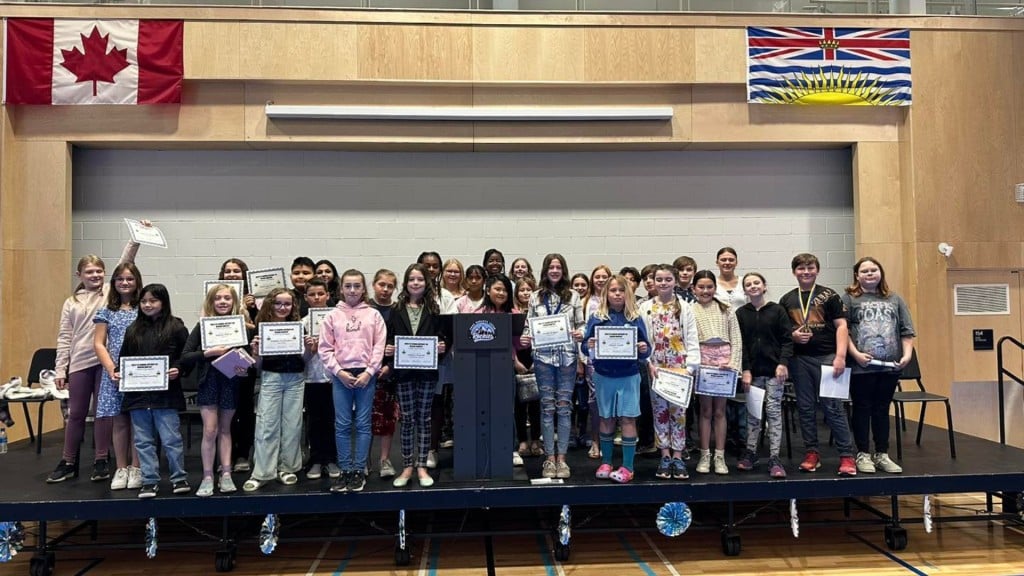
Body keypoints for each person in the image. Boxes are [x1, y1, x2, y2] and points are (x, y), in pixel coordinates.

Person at [48, 235, 142, 484]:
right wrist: (60, 369)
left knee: (104, 413)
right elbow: (64, 337)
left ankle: (102, 459)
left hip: (105, 362)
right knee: (76, 413)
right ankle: (68, 460)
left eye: (99, 271)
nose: (95, 276)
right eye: (89, 272)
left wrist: (135, 240)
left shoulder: (109, 292)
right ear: (79, 274)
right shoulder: (71, 302)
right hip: (79, 362)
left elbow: (126, 262)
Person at [779, 253, 857, 476]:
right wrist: (793, 336)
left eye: (810, 267)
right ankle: (812, 453)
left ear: (817, 270)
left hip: (828, 357)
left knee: (833, 408)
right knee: (804, 408)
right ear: (794, 271)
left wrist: (840, 356)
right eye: (801, 268)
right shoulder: (787, 299)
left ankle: (846, 456)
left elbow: (842, 326)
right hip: (799, 360)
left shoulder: (829, 295)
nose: (806, 272)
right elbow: (784, 332)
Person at [843, 257, 915, 475]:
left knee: (882, 410)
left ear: (880, 272)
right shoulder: (849, 299)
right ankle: (863, 453)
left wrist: (907, 355)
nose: (869, 274)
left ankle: (882, 453)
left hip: (889, 366)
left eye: (873, 270)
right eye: (864, 271)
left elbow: (907, 330)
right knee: (862, 408)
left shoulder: (895, 299)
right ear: (857, 275)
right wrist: (855, 354)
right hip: (861, 366)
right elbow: (842, 330)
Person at [118, 284, 190, 499]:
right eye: (143, 301)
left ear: (163, 302)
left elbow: (186, 356)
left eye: (153, 301)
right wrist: (117, 371)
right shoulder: (132, 330)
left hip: (166, 395)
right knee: (142, 441)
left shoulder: (176, 327)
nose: (148, 305)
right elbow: (123, 358)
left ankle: (179, 478)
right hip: (138, 395)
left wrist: (180, 368)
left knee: (171, 439)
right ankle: (149, 480)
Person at [319, 269, 387, 493]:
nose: (352, 290)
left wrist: (370, 371)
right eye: (348, 286)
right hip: (342, 376)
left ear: (363, 289)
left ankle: (359, 470)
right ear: (340, 289)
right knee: (343, 424)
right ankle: (346, 469)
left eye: (357, 286)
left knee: (363, 423)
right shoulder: (332, 316)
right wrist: (338, 371)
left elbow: (379, 346)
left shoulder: (374, 315)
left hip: (366, 375)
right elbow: (325, 348)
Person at [181, 284, 252, 496]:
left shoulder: (241, 327)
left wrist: (242, 366)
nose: (222, 302)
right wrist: (207, 353)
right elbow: (185, 356)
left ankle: (227, 474)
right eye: (217, 298)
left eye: (227, 298)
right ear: (211, 302)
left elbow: (247, 358)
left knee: (225, 429)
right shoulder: (202, 326)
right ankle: (207, 476)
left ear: (234, 302)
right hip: (208, 382)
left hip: (230, 382)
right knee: (209, 430)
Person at [581, 275, 651, 484]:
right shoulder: (597, 317)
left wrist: (643, 349)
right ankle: (606, 461)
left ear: (627, 293)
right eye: (613, 290)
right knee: (606, 418)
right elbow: (585, 346)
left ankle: (628, 467)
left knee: (628, 419)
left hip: (629, 375)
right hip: (604, 375)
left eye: (621, 290)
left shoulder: (636, 318)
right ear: (606, 294)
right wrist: (590, 344)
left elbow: (646, 349)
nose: (617, 294)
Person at [521, 254, 584, 479]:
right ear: (545, 270)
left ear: (563, 270)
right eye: (551, 267)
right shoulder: (536, 296)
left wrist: (581, 333)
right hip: (543, 358)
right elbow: (529, 323)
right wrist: (525, 337)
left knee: (565, 406)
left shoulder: (574, 296)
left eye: (558, 267)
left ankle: (563, 459)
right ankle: (549, 459)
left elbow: (581, 324)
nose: (555, 270)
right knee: (547, 407)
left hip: (567, 356)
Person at [385, 264, 448, 488]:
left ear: (426, 283)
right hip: (403, 373)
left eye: (420, 279)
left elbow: (442, 337)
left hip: (427, 372)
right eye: (411, 279)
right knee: (408, 420)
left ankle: (422, 465)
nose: (415, 283)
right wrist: (389, 348)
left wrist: (442, 346)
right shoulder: (396, 309)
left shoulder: (433, 309)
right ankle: (407, 466)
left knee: (424, 419)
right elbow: (390, 337)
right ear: (406, 283)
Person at [639, 264, 700, 481]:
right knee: (660, 412)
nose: (663, 283)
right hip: (656, 368)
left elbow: (692, 339)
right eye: (659, 279)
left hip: (679, 367)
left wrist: (690, 368)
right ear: (653, 282)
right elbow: (642, 340)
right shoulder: (644, 307)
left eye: (667, 279)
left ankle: (678, 455)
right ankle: (664, 454)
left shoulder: (686, 308)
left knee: (679, 414)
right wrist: (647, 362)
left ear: (675, 281)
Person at [244, 288, 306, 491]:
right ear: (270, 304)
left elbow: (305, 360)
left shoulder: (298, 327)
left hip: (296, 379)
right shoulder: (261, 329)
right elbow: (257, 365)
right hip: (271, 378)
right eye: (278, 303)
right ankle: (262, 472)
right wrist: (255, 352)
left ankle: (286, 468)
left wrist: (310, 349)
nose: (282, 307)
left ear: (293, 306)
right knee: (266, 424)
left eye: (287, 304)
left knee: (292, 426)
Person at [735, 273, 793, 479]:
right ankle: (751, 452)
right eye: (748, 284)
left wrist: (782, 363)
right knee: (753, 414)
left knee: (774, 411)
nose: (753, 286)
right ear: (745, 290)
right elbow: (739, 344)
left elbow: (787, 340)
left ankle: (775, 457)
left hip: (774, 372)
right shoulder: (741, 313)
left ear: (764, 285)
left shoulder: (777, 310)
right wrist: (746, 370)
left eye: (756, 282)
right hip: (753, 373)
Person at [93, 262, 144, 491]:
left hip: (140, 373)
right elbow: (99, 343)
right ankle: (121, 467)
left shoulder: (144, 308)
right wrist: (112, 368)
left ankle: (137, 467)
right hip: (115, 373)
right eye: (120, 279)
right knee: (119, 422)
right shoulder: (106, 311)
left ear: (137, 282)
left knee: (139, 422)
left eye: (130, 279)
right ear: (114, 282)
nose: (125, 283)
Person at [691, 270, 743, 475]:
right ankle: (705, 455)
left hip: (724, 363)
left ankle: (719, 456)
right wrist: (694, 365)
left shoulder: (726, 308)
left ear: (715, 288)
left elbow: (736, 338)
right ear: (694, 289)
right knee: (705, 411)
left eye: (709, 287)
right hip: (703, 362)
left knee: (720, 411)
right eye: (701, 287)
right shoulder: (689, 309)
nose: (705, 291)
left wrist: (733, 363)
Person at [218, 258, 258, 472]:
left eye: (237, 271)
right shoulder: (215, 296)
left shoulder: (254, 300)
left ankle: (243, 454)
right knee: (225, 410)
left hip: (244, 360)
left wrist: (249, 311)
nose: (232, 274)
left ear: (244, 274)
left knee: (244, 408)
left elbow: (260, 329)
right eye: (228, 271)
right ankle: (226, 456)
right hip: (221, 361)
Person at [300, 279, 338, 482]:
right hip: (312, 379)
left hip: (334, 378)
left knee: (333, 421)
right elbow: (301, 359)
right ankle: (315, 460)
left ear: (328, 295)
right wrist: (310, 349)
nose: (316, 298)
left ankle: (332, 459)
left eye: (320, 294)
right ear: (306, 298)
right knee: (314, 422)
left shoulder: (338, 320)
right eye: (312, 294)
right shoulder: (302, 323)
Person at [369, 270, 399, 478]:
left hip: (389, 371)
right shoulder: (365, 309)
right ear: (374, 285)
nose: (385, 289)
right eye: (382, 284)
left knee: (387, 417)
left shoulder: (398, 310)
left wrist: (390, 365)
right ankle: (363, 460)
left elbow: (402, 340)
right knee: (364, 418)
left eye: (390, 286)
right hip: (364, 372)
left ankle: (385, 460)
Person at [514, 277, 543, 458]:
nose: (525, 293)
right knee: (519, 404)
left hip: (536, 358)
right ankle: (523, 440)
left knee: (536, 403)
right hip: (517, 359)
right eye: (522, 290)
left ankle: (536, 440)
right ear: (516, 293)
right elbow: (508, 340)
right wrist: (515, 361)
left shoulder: (539, 312)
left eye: (529, 289)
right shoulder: (513, 313)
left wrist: (536, 360)